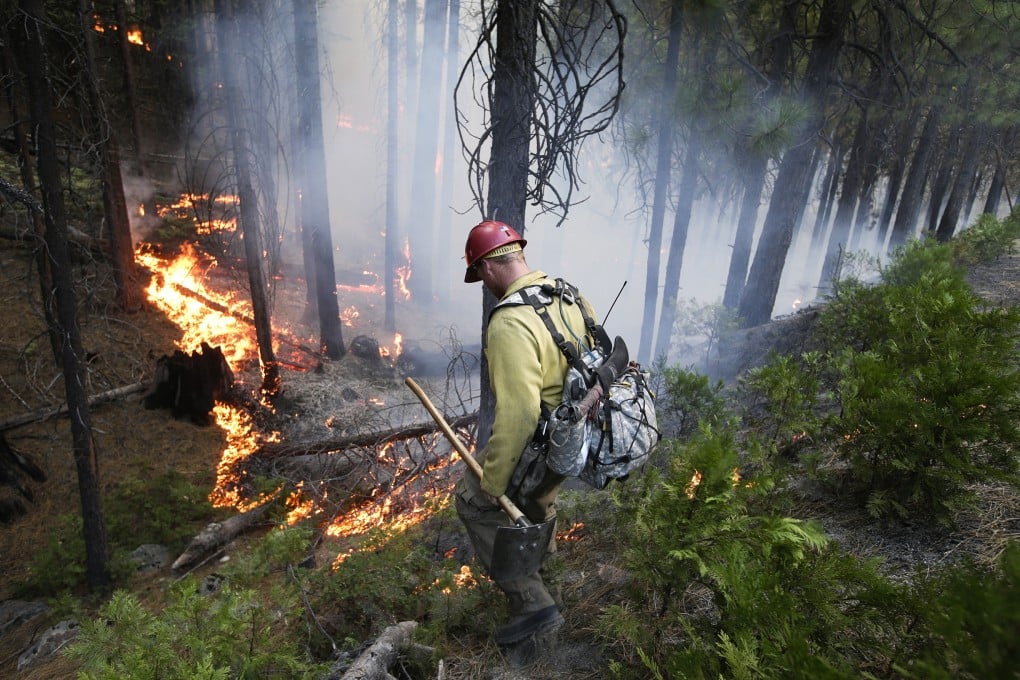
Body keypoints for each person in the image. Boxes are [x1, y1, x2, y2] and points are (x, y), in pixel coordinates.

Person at [454, 219, 599, 666]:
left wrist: (493, 482)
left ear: (487, 269)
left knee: (473, 501)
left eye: (479, 277)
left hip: (542, 441)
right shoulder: (566, 292)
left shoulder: (508, 323)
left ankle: (535, 607)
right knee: (539, 499)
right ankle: (545, 565)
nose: (483, 286)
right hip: (574, 440)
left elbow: (517, 416)